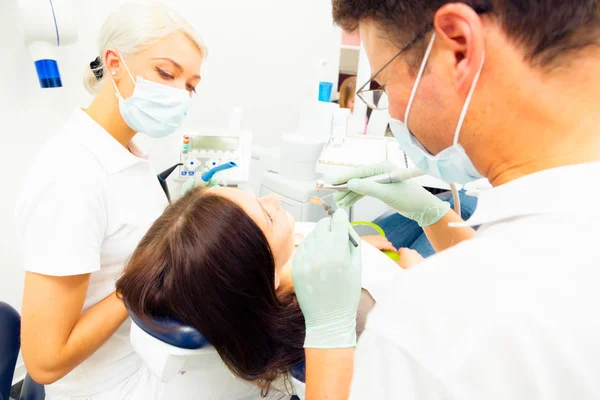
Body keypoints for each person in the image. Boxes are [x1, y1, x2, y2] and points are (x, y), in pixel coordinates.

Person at [291, 1, 600, 399]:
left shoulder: (428, 326)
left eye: (383, 85)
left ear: (458, 47)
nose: (394, 110)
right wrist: (432, 214)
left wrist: (328, 333)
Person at [13, 2, 270, 399]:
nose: (179, 94)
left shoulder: (125, 152)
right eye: (165, 72)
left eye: (190, 85)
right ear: (114, 63)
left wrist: (176, 217)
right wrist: (146, 271)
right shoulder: (73, 176)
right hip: (110, 385)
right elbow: (45, 361)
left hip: (141, 350)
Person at [115, 186, 406, 397]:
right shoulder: (346, 309)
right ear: (268, 276)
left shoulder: (276, 269)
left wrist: (364, 248)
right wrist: (417, 273)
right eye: (268, 215)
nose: (274, 198)